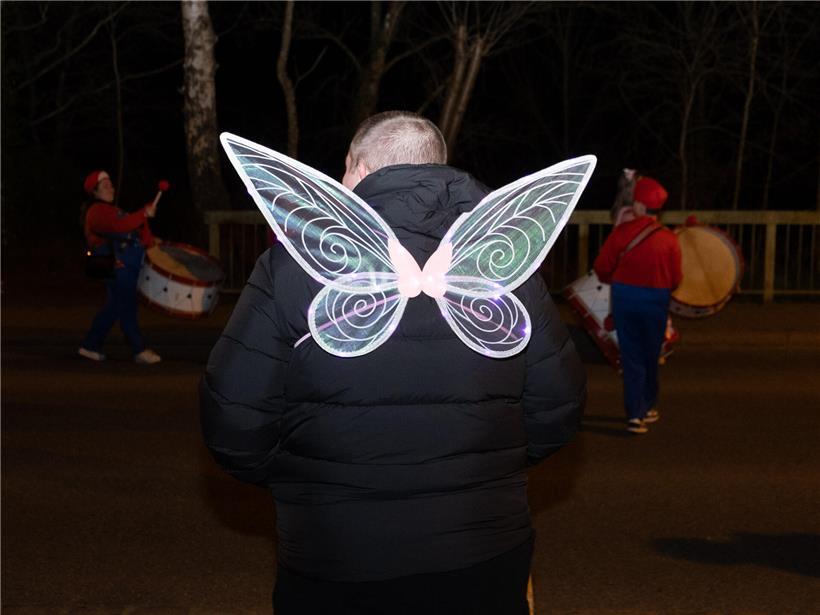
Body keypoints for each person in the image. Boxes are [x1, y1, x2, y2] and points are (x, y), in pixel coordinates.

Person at [200, 111, 587, 614]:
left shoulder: (290, 267)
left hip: (337, 558)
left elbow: (233, 419)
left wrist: (302, 480)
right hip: (482, 556)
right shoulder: (506, 265)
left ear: (357, 169)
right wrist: (492, 464)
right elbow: (558, 406)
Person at [593, 174, 681, 434]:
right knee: (651, 354)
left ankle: (635, 414)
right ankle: (647, 405)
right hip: (655, 300)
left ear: (641, 206)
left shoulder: (622, 233)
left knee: (631, 356)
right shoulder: (669, 239)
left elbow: (602, 267)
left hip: (625, 298)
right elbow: (675, 279)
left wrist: (615, 280)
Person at [78, 170, 162, 364]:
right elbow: (119, 226)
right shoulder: (96, 211)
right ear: (94, 191)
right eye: (105, 185)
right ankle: (138, 349)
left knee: (114, 306)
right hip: (114, 264)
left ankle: (90, 346)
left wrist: (149, 235)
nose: (111, 188)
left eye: (111, 184)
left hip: (121, 264)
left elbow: (132, 229)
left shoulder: (109, 209)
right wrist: (143, 213)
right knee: (127, 305)